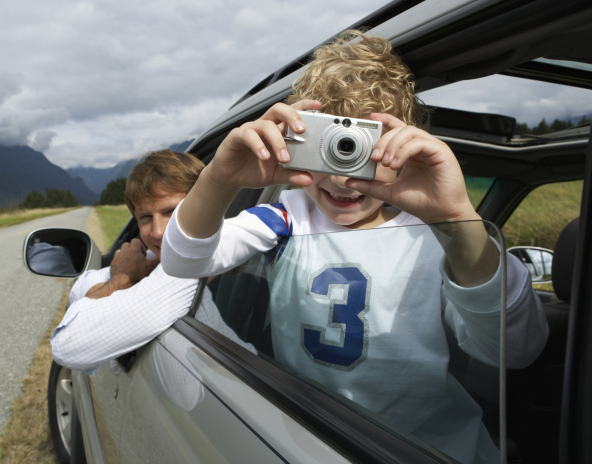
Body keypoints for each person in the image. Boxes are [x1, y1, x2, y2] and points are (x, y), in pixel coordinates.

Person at [161, 31, 549, 463]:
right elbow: (182, 261)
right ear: (295, 144)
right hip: (316, 442)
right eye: (328, 148)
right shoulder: (288, 217)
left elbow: (515, 349)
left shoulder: (438, 234)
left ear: (402, 145)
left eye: (361, 150)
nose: (344, 178)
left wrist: (456, 216)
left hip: (436, 450)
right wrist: (218, 179)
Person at [50, 149, 251, 376]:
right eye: (145, 218)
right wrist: (123, 277)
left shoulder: (183, 274)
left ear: (207, 208)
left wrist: (121, 278)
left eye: (172, 212)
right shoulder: (152, 265)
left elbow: (69, 343)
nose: (157, 232)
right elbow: (80, 290)